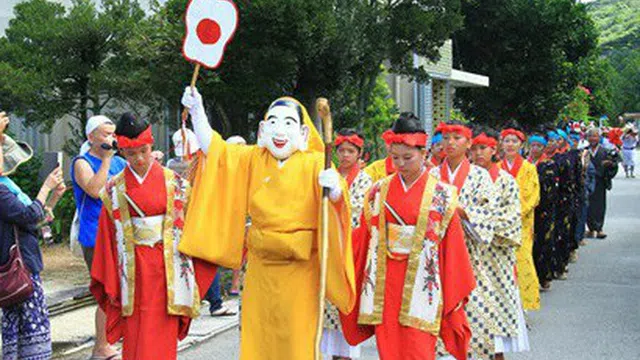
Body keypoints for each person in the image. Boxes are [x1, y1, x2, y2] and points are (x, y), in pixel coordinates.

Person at [178, 88, 355, 360]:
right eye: (272, 122)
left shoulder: (317, 163)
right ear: (262, 130)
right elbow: (217, 152)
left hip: (301, 268)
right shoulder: (253, 159)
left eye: (288, 123)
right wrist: (198, 112)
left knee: (297, 338)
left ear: (304, 134)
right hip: (260, 266)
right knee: (259, 336)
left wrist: (334, 192)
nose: (279, 131)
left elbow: (338, 206)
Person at [340, 115, 475, 360]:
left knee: (418, 346)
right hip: (386, 280)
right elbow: (363, 237)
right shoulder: (379, 190)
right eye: (395, 158)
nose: (400, 164)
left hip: (424, 281)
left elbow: (452, 247)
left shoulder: (442, 195)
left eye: (408, 157)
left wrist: (452, 284)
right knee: (388, 346)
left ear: (424, 154)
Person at [89, 113, 216, 360]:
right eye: (131, 153)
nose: (138, 159)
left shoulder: (176, 184)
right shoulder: (114, 188)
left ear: (152, 147)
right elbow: (106, 237)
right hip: (132, 268)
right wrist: (110, 276)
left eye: (143, 151)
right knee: (135, 331)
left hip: (167, 267)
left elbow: (194, 225)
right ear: (122, 152)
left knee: (162, 330)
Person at [429, 121, 497, 360]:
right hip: (437, 257)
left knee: (474, 315)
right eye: (446, 138)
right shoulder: (432, 175)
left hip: (470, 258)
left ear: (468, 143)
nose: (449, 143)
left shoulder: (481, 176)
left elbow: (489, 218)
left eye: (457, 138)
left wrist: (460, 210)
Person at [1, 112, 65, 360]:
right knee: (28, 328)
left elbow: (35, 218)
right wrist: (46, 187)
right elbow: (27, 215)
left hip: (24, 264)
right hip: (17, 267)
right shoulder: (1, 190)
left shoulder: (6, 185)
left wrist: (53, 198)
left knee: (23, 328)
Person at [70, 115, 127, 360]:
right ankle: (101, 346)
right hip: (94, 235)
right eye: (105, 134)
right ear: (91, 137)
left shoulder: (119, 162)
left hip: (119, 232)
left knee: (122, 287)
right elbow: (94, 190)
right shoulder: (82, 162)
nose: (111, 139)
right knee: (105, 290)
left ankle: (115, 337)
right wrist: (105, 160)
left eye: (113, 134)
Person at [470, 128, 529, 359]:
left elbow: (512, 218)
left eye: (482, 148)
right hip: (471, 254)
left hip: (497, 254)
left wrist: (477, 223)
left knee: (498, 306)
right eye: (473, 148)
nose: (477, 153)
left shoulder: (506, 181)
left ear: (494, 149)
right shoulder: (468, 179)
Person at [321, 128, 372, 360]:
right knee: (325, 316)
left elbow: (363, 215)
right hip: (327, 249)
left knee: (346, 311)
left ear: (360, 154)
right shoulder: (327, 174)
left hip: (352, 250)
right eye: (341, 150)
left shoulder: (365, 181)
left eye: (351, 151)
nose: (345, 155)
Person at [500, 126, 541, 310]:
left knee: (522, 258)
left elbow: (533, 195)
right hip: (499, 222)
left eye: (514, 141)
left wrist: (516, 213)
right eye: (506, 141)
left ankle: (524, 305)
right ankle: (503, 305)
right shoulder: (496, 168)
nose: (510, 145)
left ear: (521, 144)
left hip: (521, 222)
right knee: (500, 261)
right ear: (501, 144)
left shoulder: (529, 168)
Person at [528, 132, 558, 291]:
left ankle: (544, 277)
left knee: (543, 243)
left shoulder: (548, 164)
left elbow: (551, 190)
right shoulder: (525, 164)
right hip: (526, 210)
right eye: (532, 145)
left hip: (543, 209)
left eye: (538, 146)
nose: (535, 149)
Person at [585, 128, 617, 239]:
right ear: (587, 138)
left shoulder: (605, 152)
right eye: (590, 136)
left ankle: (599, 229)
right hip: (587, 182)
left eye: (595, 136)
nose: (592, 139)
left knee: (599, 205)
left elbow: (614, 165)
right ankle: (590, 228)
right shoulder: (584, 151)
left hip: (600, 181)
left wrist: (610, 165)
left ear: (599, 138)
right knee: (587, 204)